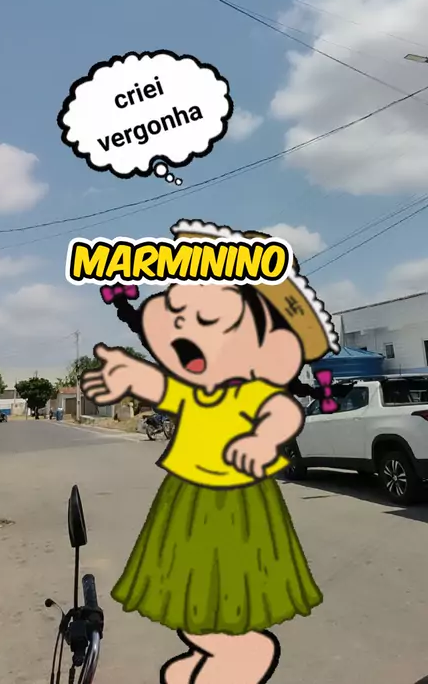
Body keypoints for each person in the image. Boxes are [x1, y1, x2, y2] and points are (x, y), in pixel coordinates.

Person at [81, 219, 339, 684]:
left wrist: (260, 441)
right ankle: (213, 652)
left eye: (209, 321)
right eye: (177, 312)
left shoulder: (253, 389)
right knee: (184, 595)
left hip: (235, 503)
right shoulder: (196, 389)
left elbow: (280, 412)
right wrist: (128, 373)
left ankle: (244, 653)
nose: (183, 329)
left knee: (221, 592)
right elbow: (163, 386)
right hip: (185, 495)